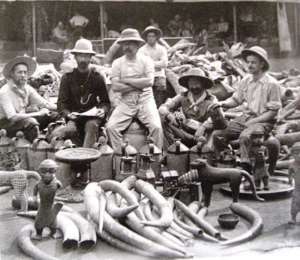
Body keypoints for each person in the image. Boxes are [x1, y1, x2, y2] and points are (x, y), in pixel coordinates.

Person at [211, 46, 282, 174]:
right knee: (218, 135)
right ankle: (229, 162)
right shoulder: (246, 80)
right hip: (247, 118)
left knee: (245, 137)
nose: (249, 65)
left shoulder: (272, 84)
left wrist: (253, 122)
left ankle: (247, 169)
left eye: (253, 62)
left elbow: (273, 113)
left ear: (262, 64)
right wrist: (222, 104)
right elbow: (236, 100)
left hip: (265, 121)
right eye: (248, 62)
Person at [106, 28, 163, 151]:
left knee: (156, 127)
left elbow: (149, 82)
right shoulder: (117, 63)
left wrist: (126, 80)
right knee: (111, 127)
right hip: (126, 100)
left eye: (131, 43)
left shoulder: (146, 60)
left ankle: (155, 159)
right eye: (125, 43)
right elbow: (115, 87)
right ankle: (121, 156)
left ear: (137, 45)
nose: (127, 46)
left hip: (145, 99)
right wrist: (138, 84)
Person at [53, 38, 110, 148]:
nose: (83, 59)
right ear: (75, 57)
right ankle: (71, 153)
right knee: (68, 130)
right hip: (74, 117)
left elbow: (105, 102)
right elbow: (61, 103)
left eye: (86, 56)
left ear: (91, 57)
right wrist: (68, 114)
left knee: (91, 125)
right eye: (80, 55)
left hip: (92, 117)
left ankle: (86, 157)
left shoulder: (97, 77)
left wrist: (102, 110)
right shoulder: (67, 78)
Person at [159, 67, 225, 148]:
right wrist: (169, 114)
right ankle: (173, 150)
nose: (193, 87)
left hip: (203, 136)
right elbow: (163, 107)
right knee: (163, 121)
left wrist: (203, 126)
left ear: (203, 84)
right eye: (191, 83)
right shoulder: (183, 96)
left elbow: (220, 117)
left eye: (196, 83)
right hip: (184, 132)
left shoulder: (211, 99)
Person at [0, 56, 57, 142]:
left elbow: (45, 104)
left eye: (25, 72)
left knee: (53, 115)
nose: (23, 75)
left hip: (23, 120)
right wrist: (38, 113)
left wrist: (62, 107)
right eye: (19, 72)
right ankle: (35, 149)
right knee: (31, 122)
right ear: (12, 74)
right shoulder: (4, 91)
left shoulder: (27, 88)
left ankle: (54, 142)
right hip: (6, 124)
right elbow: (13, 117)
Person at [33, 159, 63, 240]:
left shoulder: (57, 183)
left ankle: (53, 232)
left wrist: (60, 197)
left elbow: (62, 191)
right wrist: (35, 197)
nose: (47, 174)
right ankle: (39, 234)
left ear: (55, 171)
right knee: (39, 221)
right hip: (42, 206)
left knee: (53, 222)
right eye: (44, 171)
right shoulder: (38, 184)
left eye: (51, 171)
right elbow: (35, 191)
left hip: (51, 205)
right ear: (40, 171)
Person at [138, 26, 168, 107]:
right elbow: (141, 64)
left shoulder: (162, 49)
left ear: (156, 37)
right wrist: (157, 64)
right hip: (146, 76)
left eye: (153, 36)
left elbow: (164, 64)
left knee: (159, 97)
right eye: (149, 36)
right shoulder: (142, 50)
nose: (151, 38)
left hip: (159, 76)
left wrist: (149, 63)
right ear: (146, 38)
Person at [288, 142, 300, 225]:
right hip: (297, 187)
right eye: (296, 153)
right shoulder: (292, 164)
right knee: (295, 202)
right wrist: (289, 179)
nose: (299, 155)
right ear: (292, 154)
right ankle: (293, 217)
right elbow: (290, 172)